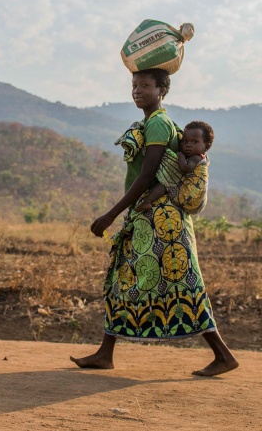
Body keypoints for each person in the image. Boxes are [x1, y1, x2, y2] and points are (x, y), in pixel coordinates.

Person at [71, 68, 238, 377]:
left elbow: (148, 175)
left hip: (162, 219)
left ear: (162, 91)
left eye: (145, 85)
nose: (137, 90)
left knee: (182, 283)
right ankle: (105, 353)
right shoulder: (152, 122)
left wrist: (112, 214)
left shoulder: (158, 124)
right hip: (149, 217)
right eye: (135, 85)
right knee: (125, 277)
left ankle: (223, 354)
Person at [134, 120, 213, 214]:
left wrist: (180, 156)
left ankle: (148, 201)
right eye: (185, 141)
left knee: (167, 182)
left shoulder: (196, 158)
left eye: (194, 142)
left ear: (206, 146)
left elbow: (185, 169)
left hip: (191, 197)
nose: (188, 145)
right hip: (195, 204)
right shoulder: (197, 157)